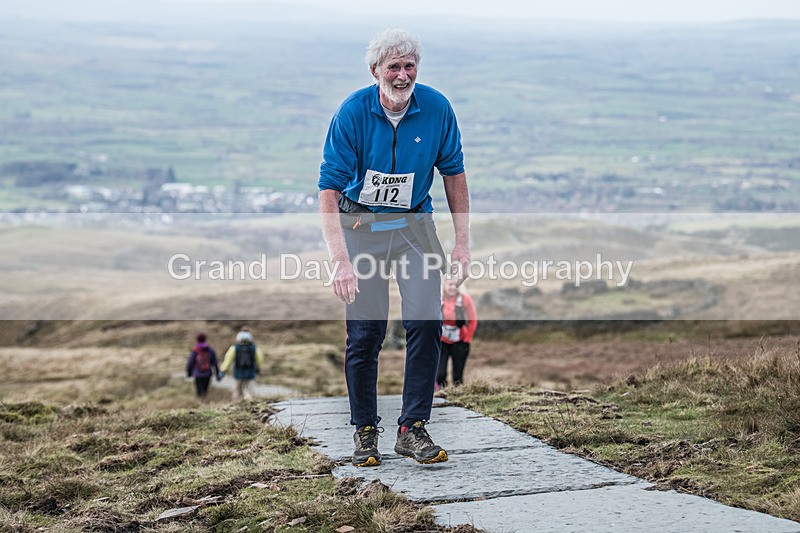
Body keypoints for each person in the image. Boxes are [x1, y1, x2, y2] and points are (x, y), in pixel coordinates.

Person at [319, 28, 470, 467]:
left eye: (409, 66)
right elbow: (328, 190)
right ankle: (365, 430)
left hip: (414, 229)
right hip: (361, 228)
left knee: (426, 321)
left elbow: (454, 174)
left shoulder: (437, 108)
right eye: (393, 68)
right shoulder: (352, 113)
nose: (403, 76)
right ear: (375, 72)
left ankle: (412, 428)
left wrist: (462, 243)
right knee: (367, 333)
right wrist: (340, 260)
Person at [437, 278, 478, 388]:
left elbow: (473, 320)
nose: (452, 287)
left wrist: (467, 339)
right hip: (442, 341)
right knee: (440, 375)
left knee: (457, 377)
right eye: (450, 284)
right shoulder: (438, 298)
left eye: (455, 285)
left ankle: (458, 395)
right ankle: (441, 393)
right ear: (444, 285)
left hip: (460, 341)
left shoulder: (465, 299)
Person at [219, 328, 265, 401]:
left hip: (238, 372)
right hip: (250, 372)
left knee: (237, 390)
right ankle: (250, 403)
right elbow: (260, 358)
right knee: (248, 390)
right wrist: (259, 368)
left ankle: (236, 404)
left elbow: (228, 359)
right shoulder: (254, 347)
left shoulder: (235, 348)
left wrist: (223, 370)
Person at [186, 333, 220, 398]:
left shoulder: (195, 350)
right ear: (205, 339)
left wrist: (189, 372)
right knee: (205, 391)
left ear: (197, 340)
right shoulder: (210, 350)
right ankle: (205, 401)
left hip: (198, 374)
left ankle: (200, 402)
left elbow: (190, 362)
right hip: (207, 374)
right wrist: (217, 373)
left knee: (199, 392)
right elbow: (215, 362)